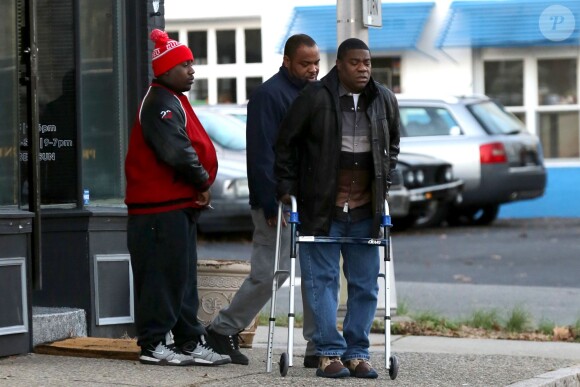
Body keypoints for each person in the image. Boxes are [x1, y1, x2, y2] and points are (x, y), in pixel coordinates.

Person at [275, 38, 401, 379]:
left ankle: (358, 353)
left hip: (364, 210)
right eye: (356, 63)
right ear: (340, 65)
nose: (363, 69)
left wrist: (384, 180)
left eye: (367, 63)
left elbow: (392, 144)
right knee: (322, 281)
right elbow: (285, 144)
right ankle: (328, 353)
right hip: (323, 208)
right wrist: (286, 190)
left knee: (365, 284)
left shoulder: (383, 100)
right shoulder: (315, 97)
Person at [204, 34, 320, 366]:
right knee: (271, 271)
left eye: (316, 63)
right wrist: (270, 201)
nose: (312, 69)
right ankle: (221, 329)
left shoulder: (313, 93)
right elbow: (260, 153)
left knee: (314, 271)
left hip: (310, 200)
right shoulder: (269, 95)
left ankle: (318, 345)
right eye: (304, 63)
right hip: (277, 201)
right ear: (286, 61)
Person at [124, 29, 230, 367]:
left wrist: (197, 186)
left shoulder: (173, 99)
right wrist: (201, 181)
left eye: (191, 63)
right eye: (185, 64)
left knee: (182, 279)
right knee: (160, 278)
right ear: (166, 70)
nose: (192, 70)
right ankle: (154, 344)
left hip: (175, 206)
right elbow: (177, 151)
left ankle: (188, 341)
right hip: (158, 209)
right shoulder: (159, 102)